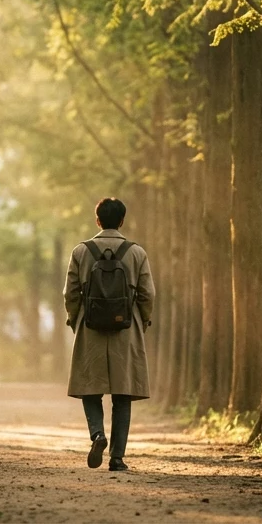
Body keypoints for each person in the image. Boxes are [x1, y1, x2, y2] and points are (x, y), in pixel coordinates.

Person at [64, 197, 155, 472]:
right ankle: (117, 458)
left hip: (90, 328)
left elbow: (70, 293)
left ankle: (97, 435)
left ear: (98, 220)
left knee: (90, 389)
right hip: (126, 328)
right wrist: (144, 319)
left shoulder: (81, 251)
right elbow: (147, 293)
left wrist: (73, 317)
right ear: (122, 221)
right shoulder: (136, 252)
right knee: (122, 393)